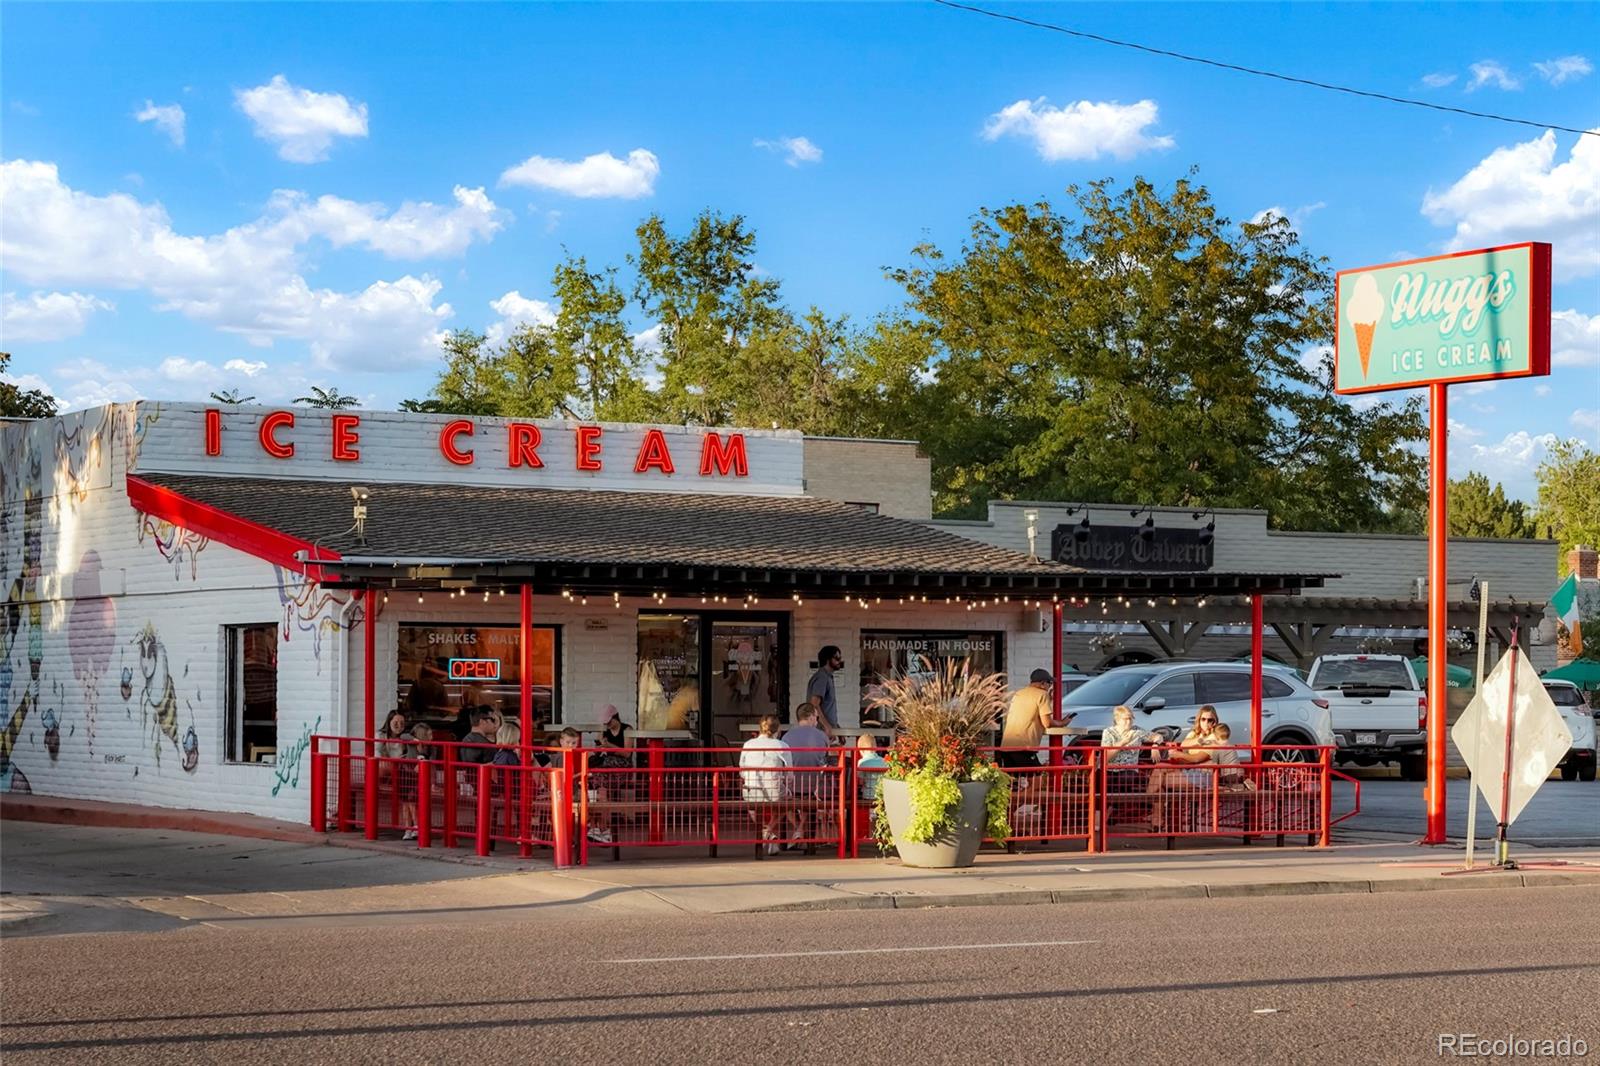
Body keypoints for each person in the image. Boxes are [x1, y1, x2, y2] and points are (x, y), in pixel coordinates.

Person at [740, 714, 799, 855]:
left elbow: (742, 771)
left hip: (751, 790)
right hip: (775, 790)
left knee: (751, 805)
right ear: (778, 729)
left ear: (759, 728)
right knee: (786, 802)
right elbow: (790, 776)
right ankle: (769, 830)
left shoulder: (748, 744)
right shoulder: (782, 745)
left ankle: (767, 833)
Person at [999, 669, 1072, 772]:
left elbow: (1028, 711)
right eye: (1049, 683)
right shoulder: (1042, 694)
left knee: (1013, 781)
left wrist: (1049, 700)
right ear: (1042, 683)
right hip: (1024, 746)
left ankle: (1021, 789)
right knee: (1036, 779)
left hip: (1007, 745)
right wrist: (1063, 723)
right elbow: (1047, 723)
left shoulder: (1019, 693)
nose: (1050, 686)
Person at [398, 721, 430, 841]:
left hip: (417, 778)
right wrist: (415, 740)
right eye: (429, 735)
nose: (431, 738)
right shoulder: (412, 744)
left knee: (411, 801)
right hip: (406, 774)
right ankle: (408, 828)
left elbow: (428, 759)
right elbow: (402, 735)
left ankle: (416, 825)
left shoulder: (430, 748)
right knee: (405, 803)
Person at [806, 645, 844, 740]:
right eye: (837, 658)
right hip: (820, 731)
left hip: (824, 730)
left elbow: (827, 708)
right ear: (828, 660)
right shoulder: (822, 677)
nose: (840, 661)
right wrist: (827, 726)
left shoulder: (827, 677)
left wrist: (837, 728)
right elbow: (814, 704)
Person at [855, 733, 887, 801]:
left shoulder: (861, 762)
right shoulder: (883, 761)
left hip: (867, 795)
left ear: (861, 749)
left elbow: (860, 781)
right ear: (876, 748)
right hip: (881, 795)